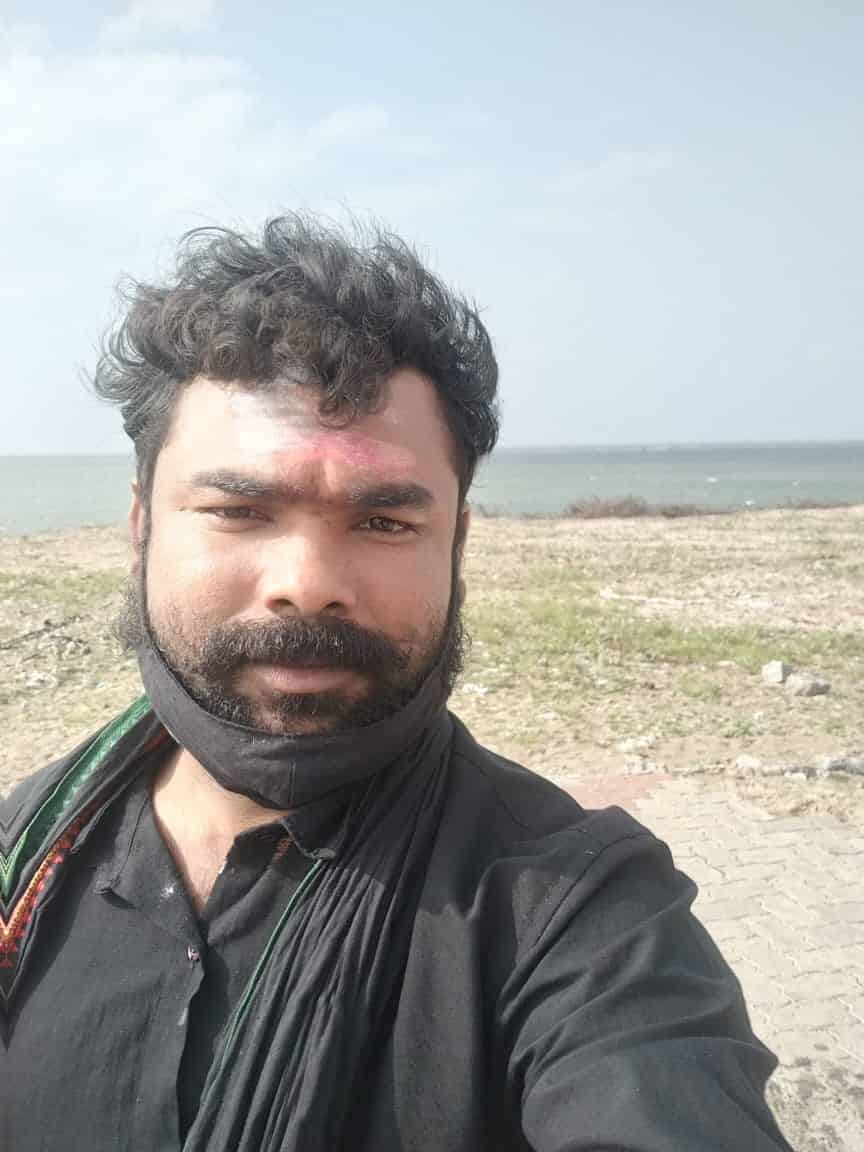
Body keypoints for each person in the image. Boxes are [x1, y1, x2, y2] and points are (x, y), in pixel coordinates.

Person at [0, 215, 794, 1151]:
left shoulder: (577, 908)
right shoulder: (26, 848)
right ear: (142, 526)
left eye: (383, 523)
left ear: (455, 542)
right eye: (239, 509)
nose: (308, 582)